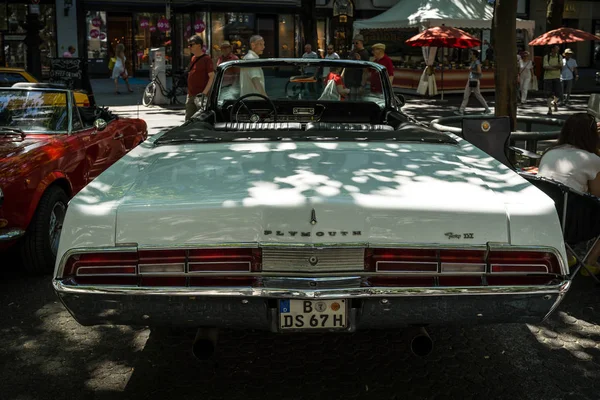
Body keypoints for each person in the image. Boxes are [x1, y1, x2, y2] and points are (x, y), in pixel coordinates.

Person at [537, 113, 600, 272]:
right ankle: (590, 262)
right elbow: (597, 195)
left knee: (562, 198)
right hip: (574, 224)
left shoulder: (549, 153)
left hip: (544, 218)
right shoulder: (592, 159)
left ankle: (567, 255)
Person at [185, 35, 215, 121]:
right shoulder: (193, 58)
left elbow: (212, 76)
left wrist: (204, 93)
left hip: (200, 96)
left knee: (201, 120)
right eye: (189, 45)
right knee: (189, 120)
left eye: (191, 45)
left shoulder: (206, 59)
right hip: (191, 95)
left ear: (199, 45)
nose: (189, 47)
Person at [454, 50, 491, 115]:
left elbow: (479, 72)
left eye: (471, 54)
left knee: (476, 95)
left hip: (474, 80)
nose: (471, 55)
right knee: (468, 95)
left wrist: (471, 70)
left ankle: (487, 109)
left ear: (474, 55)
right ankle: (461, 110)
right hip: (471, 79)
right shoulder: (473, 62)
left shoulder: (477, 62)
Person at [345, 34, 370, 100]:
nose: (355, 45)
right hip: (349, 81)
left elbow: (366, 69)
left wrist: (362, 84)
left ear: (361, 42)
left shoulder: (364, 53)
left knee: (355, 100)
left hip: (357, 82)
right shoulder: (353, 52)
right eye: (354, 43)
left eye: (356, 43)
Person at [543, 44, 563, 116]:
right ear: (552, 49)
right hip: (548, 78)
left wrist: (550, 67)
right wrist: (555, 67)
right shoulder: (546, 57)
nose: (558, 50)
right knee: (548, 94)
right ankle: (549, 109)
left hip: (557, 77)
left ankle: (554, 102)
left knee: (559, 94)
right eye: (556, 48)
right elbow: (545, 67)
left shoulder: (559, 56)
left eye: (558, 48)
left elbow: (560, 65)